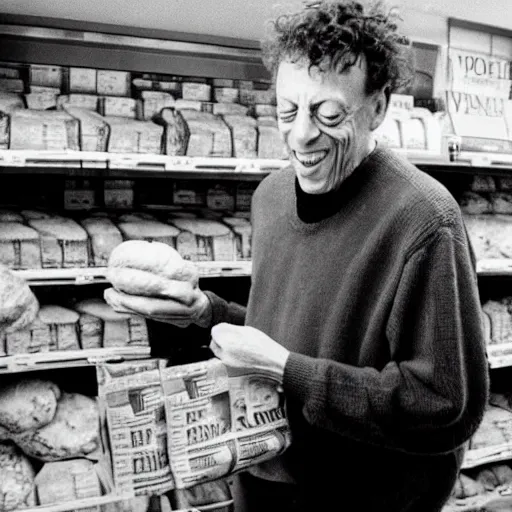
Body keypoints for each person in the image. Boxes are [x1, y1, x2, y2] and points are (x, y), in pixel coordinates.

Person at [105, 1, 489, 510]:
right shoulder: (270, 197)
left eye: (328, 113)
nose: (301, 134)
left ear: (378, 106)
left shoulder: (424, 220)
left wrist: (288, 371)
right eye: (288, 110)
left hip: (363, 495)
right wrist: (207, 314)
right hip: (262, 479)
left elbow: (443, 404)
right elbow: (299, 333)